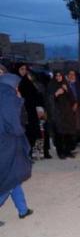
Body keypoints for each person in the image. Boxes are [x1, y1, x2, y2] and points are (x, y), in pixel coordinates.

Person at [0, 73, 33, 219]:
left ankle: (23, 209)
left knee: (15, 176)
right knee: (10, 179)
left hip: (4, 143)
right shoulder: (9, 98)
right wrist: (19, 100)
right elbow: (15, 126)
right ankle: (22, 209)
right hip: (9, 144)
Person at [47, 71, 77, 159]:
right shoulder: (51, 86)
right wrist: (56, 94)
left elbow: (72, 99)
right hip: (57, 114)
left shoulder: (66, 85)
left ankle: (67, 151)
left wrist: (67, 90)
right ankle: (60, 152)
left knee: (68, 133)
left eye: (60, 75)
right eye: (56, 75)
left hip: (67, 113)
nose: (58, 77)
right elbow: (48, 100)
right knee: (59, 134)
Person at [15, 63, 42, 155]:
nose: (24, 71)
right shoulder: (15, 81)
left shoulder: (29, 81)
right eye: (21, 69)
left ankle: (30, 153)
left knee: (32, 131)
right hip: (19, 111)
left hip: (31, 110)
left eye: (25, 69)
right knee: (23, 132)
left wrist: (33, 82)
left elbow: (38, 94)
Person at [67, 70, 80, 149]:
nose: (71, 76)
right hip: (67, 108)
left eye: (73, 74)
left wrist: (77, 103)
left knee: (77, 126)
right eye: (70, 74)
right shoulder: (65, 85)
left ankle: (74, 143)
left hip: (77, 108)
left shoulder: (78, 85)